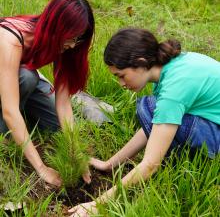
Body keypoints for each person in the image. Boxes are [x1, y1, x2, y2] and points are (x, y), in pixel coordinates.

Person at [68, 28, 220, 216]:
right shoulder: (173, 66)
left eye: (121, 75)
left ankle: (197, 161)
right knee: (152, 109)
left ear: (141, 63)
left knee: (149, 108)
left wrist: (97, 204)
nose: (121, 84)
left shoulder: (173, 92)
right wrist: (109, 164)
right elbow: (154, 126)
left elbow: (150, 164)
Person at [0, 0, 94, 187]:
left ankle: (23, 113)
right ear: (55, 27)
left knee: (58, 127)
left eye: (79, 38)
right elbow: (10, 110)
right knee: (27, 77)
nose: (74, 45)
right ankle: (4, 134)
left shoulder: (64, 46)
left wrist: (75, 151)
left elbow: (63, 103)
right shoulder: (10, 39)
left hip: (20, 75)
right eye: (71, 37)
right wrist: (42, 168)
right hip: (11, 75)